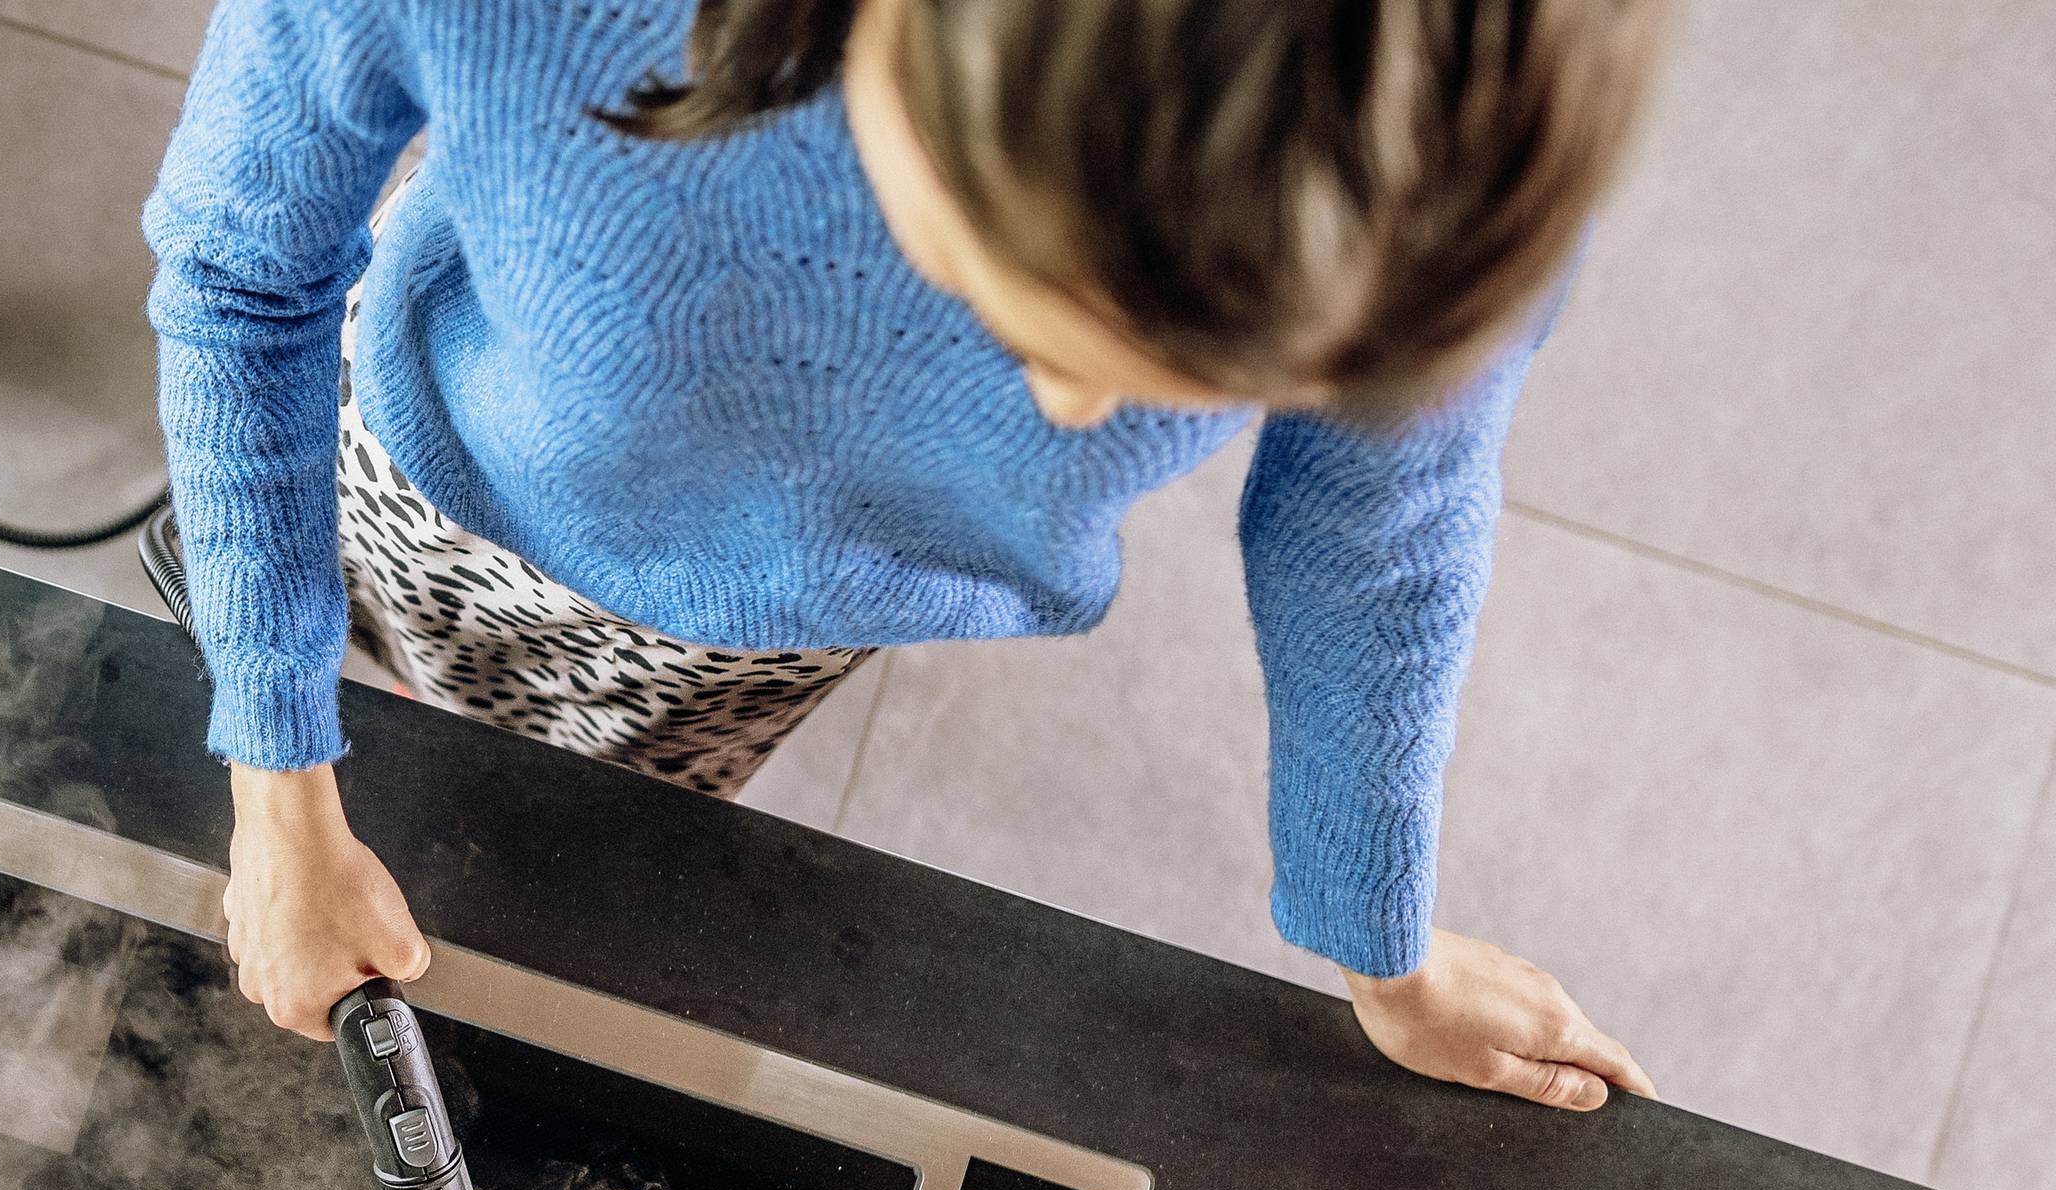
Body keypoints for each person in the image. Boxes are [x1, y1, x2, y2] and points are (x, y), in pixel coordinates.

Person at [145, 0, 1668, 1111]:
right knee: (294, 608)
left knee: (587, 809)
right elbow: (239, 275)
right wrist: (276, 780)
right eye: (1022, 313)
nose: (1072, 421)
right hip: (427, 455)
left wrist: (1379, 944)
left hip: (761, 632)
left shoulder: (1436, 145)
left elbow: (1376, 529)